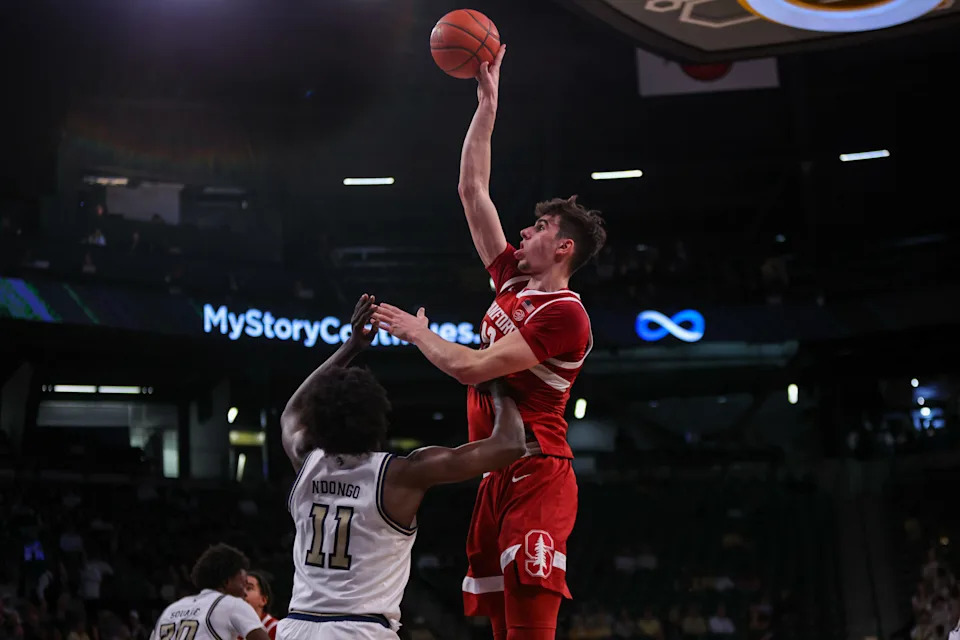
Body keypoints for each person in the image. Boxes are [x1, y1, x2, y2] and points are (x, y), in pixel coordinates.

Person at [371, 45, 607, 640]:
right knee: (500, 629)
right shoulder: (514, 280)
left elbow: (473, 369)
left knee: (529, 629)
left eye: (540, 228)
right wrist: (487, 103)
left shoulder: (565, 316)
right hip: (493, 473)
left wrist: (421, 333)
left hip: (538, 469)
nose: (525, 232)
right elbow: (473, 190)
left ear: (563, 249)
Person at [277, 294, 527, 639]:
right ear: (376, 418)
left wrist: (352, 346)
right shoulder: (401, 474)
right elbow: (510, 444)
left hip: (297, 627)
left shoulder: (307, 461)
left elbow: (293, 411)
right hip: (361, 630)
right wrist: (495, 376)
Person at [150, 544, 269, 640]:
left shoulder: (171, 609)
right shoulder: (232, 604)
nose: (245, 593)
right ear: (227, 581)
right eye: (243, 585)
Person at [243, 572, 279, 640]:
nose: (243, 592)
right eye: (241, 588)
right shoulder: (234, 628)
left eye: (249, 588)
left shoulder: (276, 629)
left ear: (263, 600)